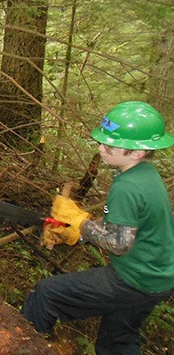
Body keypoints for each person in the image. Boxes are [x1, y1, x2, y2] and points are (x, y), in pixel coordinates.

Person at [22, 101, 174, 354]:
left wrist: (81, 224)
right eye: (102, 141)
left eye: (110, 144)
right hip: (158, 278)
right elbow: (129, 223)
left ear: (136, 152)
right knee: (117, 342)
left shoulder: (127, 187)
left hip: (135, 280)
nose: (101, 148)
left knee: (46, 294)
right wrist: (81, 229)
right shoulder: (145, 174)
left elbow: (119, 244)